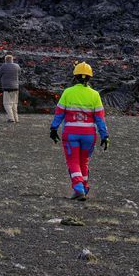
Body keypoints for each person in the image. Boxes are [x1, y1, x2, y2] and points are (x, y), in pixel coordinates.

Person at [49, 62, 109, 200]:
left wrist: (53, 128)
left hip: (71, 133)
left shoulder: (68, 93)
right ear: (89, 78)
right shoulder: (95, 95)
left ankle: (79, 188)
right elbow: (100, 119)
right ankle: (84, 186)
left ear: (75, 77)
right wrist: (105, 136)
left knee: (73, 162)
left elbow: (59, 114)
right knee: (84, 162)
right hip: (89, 135)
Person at [0, 54, 21, 123]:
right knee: (14, 103)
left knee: (7, 103)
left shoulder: (4, 66)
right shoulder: (17, 66)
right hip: (16, 87)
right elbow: (19, 73)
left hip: (7, 87)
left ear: (5, 60)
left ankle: (11, 118)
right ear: (12, 60)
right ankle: (16, 118)